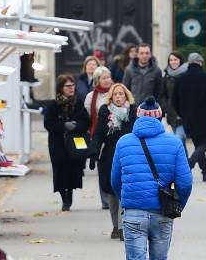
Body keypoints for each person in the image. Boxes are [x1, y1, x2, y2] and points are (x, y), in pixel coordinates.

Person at [112, 98, 194, 260]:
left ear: (137, 116)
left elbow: (115, 180)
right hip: (162, 213)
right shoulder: (174, 143)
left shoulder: (123, 142)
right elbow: (185, 182)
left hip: (133, 214)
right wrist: (178, 204)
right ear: (160, 117)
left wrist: (126, 201)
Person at [93, 82, 137, 239]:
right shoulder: (105, 112)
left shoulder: (133, 111)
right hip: (110, 157)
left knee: (125, 192)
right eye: (115, 94)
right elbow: (98, 134)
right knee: (113, 193)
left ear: (126, 96)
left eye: (121, 94)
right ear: (111, 97)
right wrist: (94, 152)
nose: (118, 97)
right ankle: (116, 226)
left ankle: (124, 226)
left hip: (130, 156)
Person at [44, 74, 90, 211]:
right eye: (67, 86)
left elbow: (86, 121)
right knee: (59, 171)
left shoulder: (79, 102)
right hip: (58, 144)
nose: (71, 88)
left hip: (75, 143)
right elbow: (48, 123)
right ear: (61, 88)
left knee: (73, 171)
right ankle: (63, 197)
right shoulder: (53, 104)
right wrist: (64, 125)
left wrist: (76, 125)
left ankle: (69, 197)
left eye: (72, 85)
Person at [173, 52, 206, 183]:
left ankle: (205, 173)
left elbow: (174, 100)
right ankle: (190, 163)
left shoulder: (180, 79)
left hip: (188, 118)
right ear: (200, 62)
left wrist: (182, 113)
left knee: (198, 144)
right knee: (204, 144)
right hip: (205, 117)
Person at [160, 50, 187, 152]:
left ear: (180, 60)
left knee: (178, 139)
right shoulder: (166, 76)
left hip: (183, 114)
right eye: (171, 60)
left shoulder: (186, 74)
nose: (173, 62)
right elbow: (162, 95)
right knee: (180, 142)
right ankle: (185, 164)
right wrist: (166, 106)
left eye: (175, 59)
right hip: (171, 114)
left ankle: (187, 164)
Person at [83, 66, 115, 140]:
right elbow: (87, 116)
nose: (107, 80)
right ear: (97, 80)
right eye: (103, 78)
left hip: (115, 132)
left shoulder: (117, 93)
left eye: (108, 77)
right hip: (97, 133)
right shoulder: (90, 96)